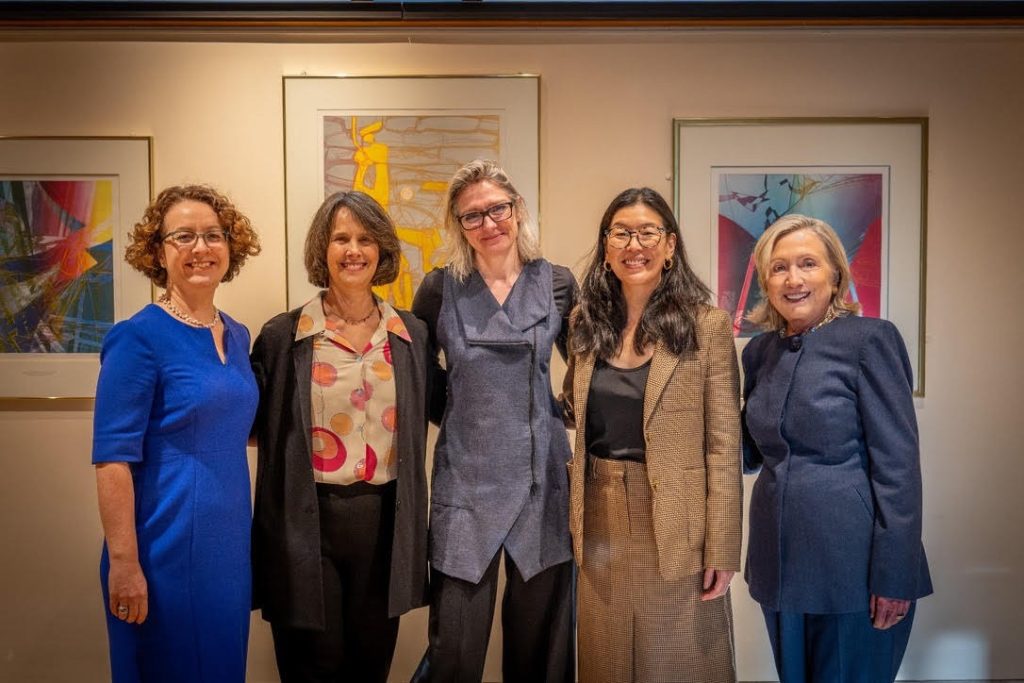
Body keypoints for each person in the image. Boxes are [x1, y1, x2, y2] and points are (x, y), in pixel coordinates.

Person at [741, 213, 932, 682]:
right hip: (778, 567)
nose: (794, 278)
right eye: (779, 267)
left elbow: (899, 469)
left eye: (808, 263)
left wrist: (894, 574)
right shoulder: (758, 352)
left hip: (854, 569)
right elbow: (748, 452)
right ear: (765, 280)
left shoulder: (871, 340)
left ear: (835, 274)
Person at [249, 191, 431, 682]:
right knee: (314, 665)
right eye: (341, 238)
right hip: (306, 526)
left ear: (382, 251)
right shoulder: (283, 337)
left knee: (371, 665)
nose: (354, 250)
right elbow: (246, 426)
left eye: (366, 239)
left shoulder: (410, 335)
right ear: (322, 249)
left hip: (385, 523)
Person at [565, 187, 741, 683]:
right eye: (620, 232)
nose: (633, 244)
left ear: (669, 246)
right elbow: (574, 411)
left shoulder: (707, 327)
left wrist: (722, 549)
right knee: (607, 661)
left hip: (677, 521)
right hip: (597, 515)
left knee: (681, 660)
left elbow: (723, 446)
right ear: (605, 246)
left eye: (647, 232)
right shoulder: (585, 324)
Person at [411, 159, 576, 682]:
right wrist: (465, 416)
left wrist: (552, 417)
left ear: (517, 210)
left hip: (542, 486)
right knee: (454, 652)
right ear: (459, 227)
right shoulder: (439, 289)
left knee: (542, 653)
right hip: (466, 489)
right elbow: (421, 383)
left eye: (497, 209)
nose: (489, 223)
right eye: (472, 216)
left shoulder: (557, 283)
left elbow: (590, 373)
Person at [92, 184, 261, 682]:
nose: (200, 248)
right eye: (182, 236)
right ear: (157, 251)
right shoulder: (137, 337)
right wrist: (124, 563)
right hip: (161, 548)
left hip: (228, 548)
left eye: (212, 235)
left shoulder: (238, 333)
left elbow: (231, 426)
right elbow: (112, 459)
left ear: (231, 247)